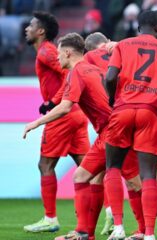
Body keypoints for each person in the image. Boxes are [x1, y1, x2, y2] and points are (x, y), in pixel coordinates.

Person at [104, 10, 157, 240]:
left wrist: (113, 100)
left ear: (139, 27)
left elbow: (109, 77)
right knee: (148, 175)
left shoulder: (123, 45)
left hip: (123, 110)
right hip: (151, 113)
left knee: (113, 167)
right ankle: (149, 234)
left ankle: (118, 227)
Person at [23, 11, 90, 233]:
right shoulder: (47, 51)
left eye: (31, 25)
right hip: (77, 113)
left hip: (63, 114)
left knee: (45, 165)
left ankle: (50, 218)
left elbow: (68, 73)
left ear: (40, 31)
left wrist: (52, 102)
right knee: (89, 167)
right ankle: (112, 216)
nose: (26, 28)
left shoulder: (46, 52)